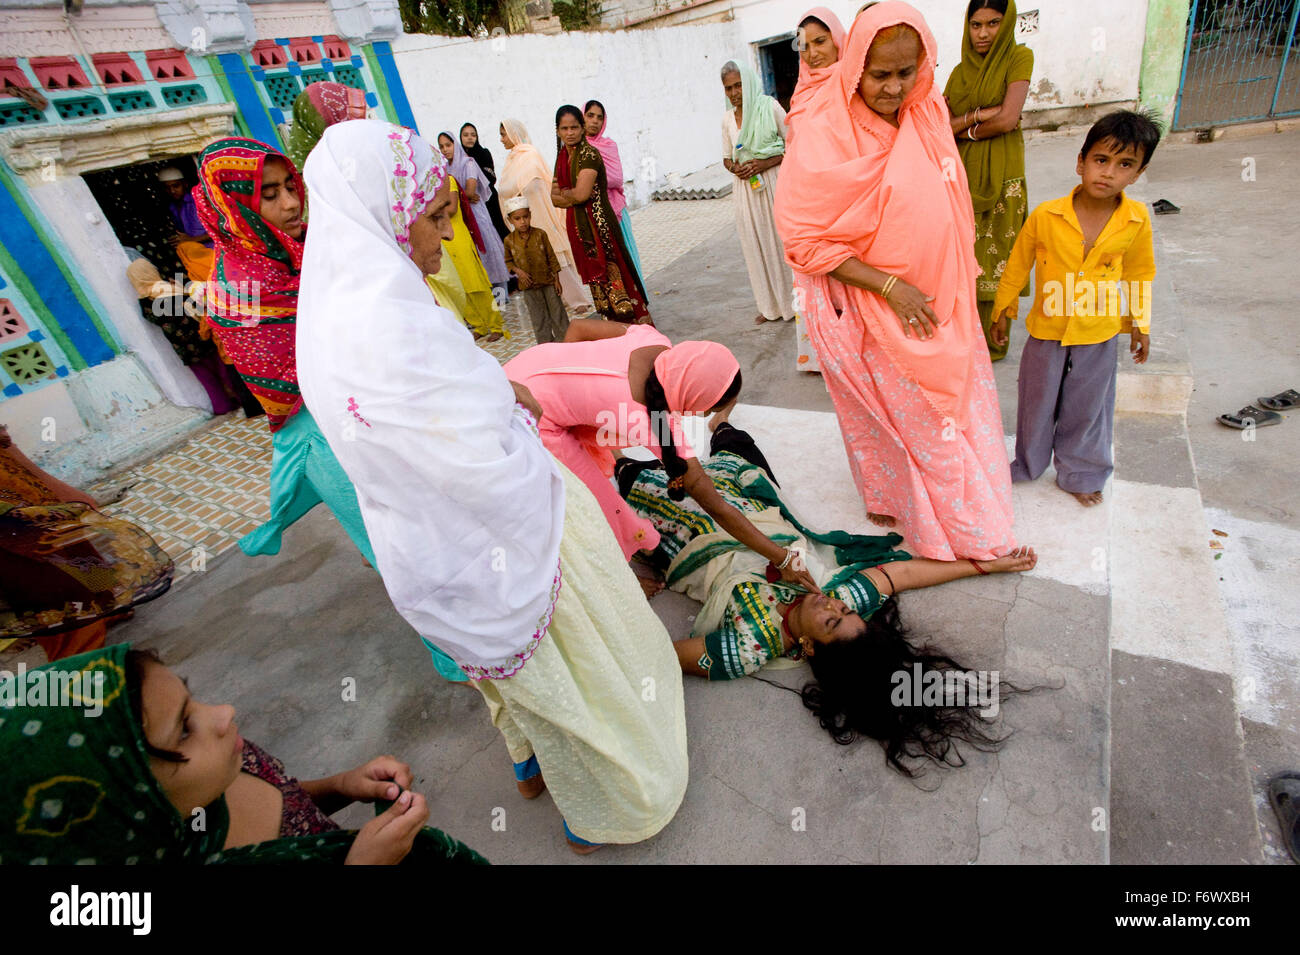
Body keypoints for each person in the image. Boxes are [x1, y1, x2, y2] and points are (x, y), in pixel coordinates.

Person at [295, 120, 688, 852]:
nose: (447, 240)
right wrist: (511, 417)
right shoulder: (382, 319)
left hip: (430, 554)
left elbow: (441, 409)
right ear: (383, 210)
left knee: (515, 681)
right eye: (437, 218)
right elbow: (464, 448)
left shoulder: (334, 306)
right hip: (500, 534)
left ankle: (531, 766)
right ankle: (601, 807)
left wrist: (501, 395)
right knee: (575, 671)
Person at [619, 415, 1037, 775]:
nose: (833, 604)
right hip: (753, 508)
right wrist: (987, 565)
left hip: (684, 534)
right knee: (735, 440)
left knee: (629, 474)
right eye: (844, 609)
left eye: (831, 621)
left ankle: (624, 459)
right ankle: (719, 422)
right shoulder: (839, 597)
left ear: (810, 648)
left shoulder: (751, 645)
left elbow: (664, 653)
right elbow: (906, 573)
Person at [774, 1, 1017, 562]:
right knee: (911, 419)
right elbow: (805, 241)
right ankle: (945, 523)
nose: (893, 87)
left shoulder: (925, 108)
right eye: (879, 74)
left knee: (949, 411)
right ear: (855, 62)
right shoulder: (822, 130)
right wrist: (889, 287)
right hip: (869, 304)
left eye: (906, 72)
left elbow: (944, 188)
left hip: (939, 294)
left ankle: (952, 503)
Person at [0, 644, 487, 864]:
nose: (223, 713)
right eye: (184, 730)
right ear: (127, 813)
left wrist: (340, 786)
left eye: (191, 699)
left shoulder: (223, 769)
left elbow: (286, 807)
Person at [503, 318, 820, 595]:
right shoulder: (651, 422)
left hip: (523, 367)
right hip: (529, 410)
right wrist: (781, 557)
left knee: (600, 476)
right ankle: (623, 579)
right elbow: (716, 506)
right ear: (690, 395)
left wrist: (571, 389)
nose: (700, 415)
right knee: (593, 503)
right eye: (706, 408)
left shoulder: (652, 340)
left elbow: (578, 327)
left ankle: (642, 542)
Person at [194, 137, 377, 565]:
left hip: (367, 416)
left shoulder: (306, 250)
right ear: (230, 206)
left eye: (290, 186)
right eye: (269, 195)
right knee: (402, 558)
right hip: (325, 436)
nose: (292, 204)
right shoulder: (239, 290)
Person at [992, 109, 1159, 506]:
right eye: (1101, 160)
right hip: (1047, 328)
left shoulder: (1136, 220)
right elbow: (1017, 264)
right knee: (1036, 401)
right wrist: (1004, 309)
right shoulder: (1046, 215)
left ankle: (1082, 472)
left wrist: (1140, 322)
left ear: (1137, 173)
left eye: (1124, 165)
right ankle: (1028, 464)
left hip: (1098, 332)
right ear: (1081, 162)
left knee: (1088, 407)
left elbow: (1140, 272)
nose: (1109, 173)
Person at [0, 425, 172, 661]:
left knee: (74, 545)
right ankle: (82, 673)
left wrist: (58, 491)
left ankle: (105, 608)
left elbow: (5, 444)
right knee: (49, 586)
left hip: (21, 493)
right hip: (12, 526)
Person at [944, 0, 1034, 361]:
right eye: (976, 25)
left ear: (1007, 22)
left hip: (1005, 170)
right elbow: (942, 128)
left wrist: (965, 128)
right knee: (966, 255)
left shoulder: (1018, 57)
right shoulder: (957, 73)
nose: (983, 34)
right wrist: (980, 116)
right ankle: (967, 342)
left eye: (993, 23)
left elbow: (1009, 119)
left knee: (1000, 256)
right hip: (963, 171)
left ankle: (995, 340)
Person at [787, 7, 849, 373]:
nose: (812, 53)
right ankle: (826, 359)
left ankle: (856, 361)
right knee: (816, 286)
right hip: (807, 211)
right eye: (804, 45)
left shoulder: (851, 84)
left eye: (821, 41)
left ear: (840, 40)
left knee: (849, 286)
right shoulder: (802, 93)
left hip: (846, 205)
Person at [551, 105, 651, 324]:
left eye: (575, 127)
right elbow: (554, 197)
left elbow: (581, 194)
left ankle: (635, 330)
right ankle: (614, 329)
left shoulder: (589, 154)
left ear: (582, 128)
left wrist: (569, 196)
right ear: (557, 131)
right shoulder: (562, 157)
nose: (570, 133)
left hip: (600, 227)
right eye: (564, 128)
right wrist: (572, 196)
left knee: (616, 276)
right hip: (580, 229)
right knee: (599, 285)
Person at [124, 246, 243, 416]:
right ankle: (242, 399)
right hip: (201, 339)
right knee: (225, 372)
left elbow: (157, 318)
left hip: (183, 349)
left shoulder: (145, 302)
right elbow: (193, 303)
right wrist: (184, 290)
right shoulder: (169, 289)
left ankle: (221, 407)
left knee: (207, 380)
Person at [721, 58, 795, 326]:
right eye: (728, 88)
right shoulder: (727, 119)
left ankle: (794, 303)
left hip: (774, 184)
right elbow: (726, 156)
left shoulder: (769, 106)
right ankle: (769, 306)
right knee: (755, 245)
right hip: (746, 191)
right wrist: (735, 168)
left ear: (749, 83)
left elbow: (793, 143)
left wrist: (764, 163)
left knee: (780, 242)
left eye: (738, 86)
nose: (734, 93)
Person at [497, 118, 592, 312]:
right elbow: (506, 188)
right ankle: (564, 297)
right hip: (526, 216)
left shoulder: (529, 155)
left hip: (540, 212)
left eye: (504, 133)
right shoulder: (512, 159)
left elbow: (535, 184)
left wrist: (517, 194)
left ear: (514, 133)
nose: (501, 139)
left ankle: (579, 301)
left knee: (555, 253)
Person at [438, 131, 509, 296]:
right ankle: (488, 296)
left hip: (477, 215)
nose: (445, 150)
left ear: (455, 144)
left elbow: (470, 191)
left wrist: (458, 196)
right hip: (460, 219)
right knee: (475, 256)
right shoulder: (445, 169)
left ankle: (501, 296)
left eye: (448, 145)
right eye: (441, 147)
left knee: (489, 252)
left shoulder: (468, 163)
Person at [582, 100, 645, 280]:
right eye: (590, 115)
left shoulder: (609, 145)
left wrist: (588, 180)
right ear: (582, 117)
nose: (595, 121)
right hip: (592, 213)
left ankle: (638, 299)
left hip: (615, 209)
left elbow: (616, 178)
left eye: (599, 118)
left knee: (626, 255)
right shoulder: (577, 149)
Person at [503, 196, 569, 344]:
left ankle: (566, 341)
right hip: (528, 286)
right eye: (517, 218)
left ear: (530, 215)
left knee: (557, 312)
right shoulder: (509, 240)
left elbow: (551, 257)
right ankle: (545, 346)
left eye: (525, 217)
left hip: (548, 281)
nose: (522, 222)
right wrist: (518, 272)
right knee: (538, 317)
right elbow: (508, 261)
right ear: (510, 220)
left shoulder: (540, 234)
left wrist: (557, 280)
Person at [287, 81, 367, 172]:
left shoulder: (365, 149)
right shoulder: (305, 175)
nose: (351, 126)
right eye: (339, 117)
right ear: (316, 123)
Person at [157, 165, 213, 282]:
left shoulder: (198, 201)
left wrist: (191, 240)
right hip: (194, 255)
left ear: (185, 184)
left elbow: (221, 229)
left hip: (212, 253)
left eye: (175, 186)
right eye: (167, 188)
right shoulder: (172, 207)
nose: (172, 191)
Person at [460, 122, 509, 239]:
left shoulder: (483, 153)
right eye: (466, 135)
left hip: (489, 199)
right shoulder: (459, 160)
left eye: (473, 135)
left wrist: (472, 181)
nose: (470, 138)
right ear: (460, 138)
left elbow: (491, 177)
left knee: (499, 229)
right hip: (472, 203)